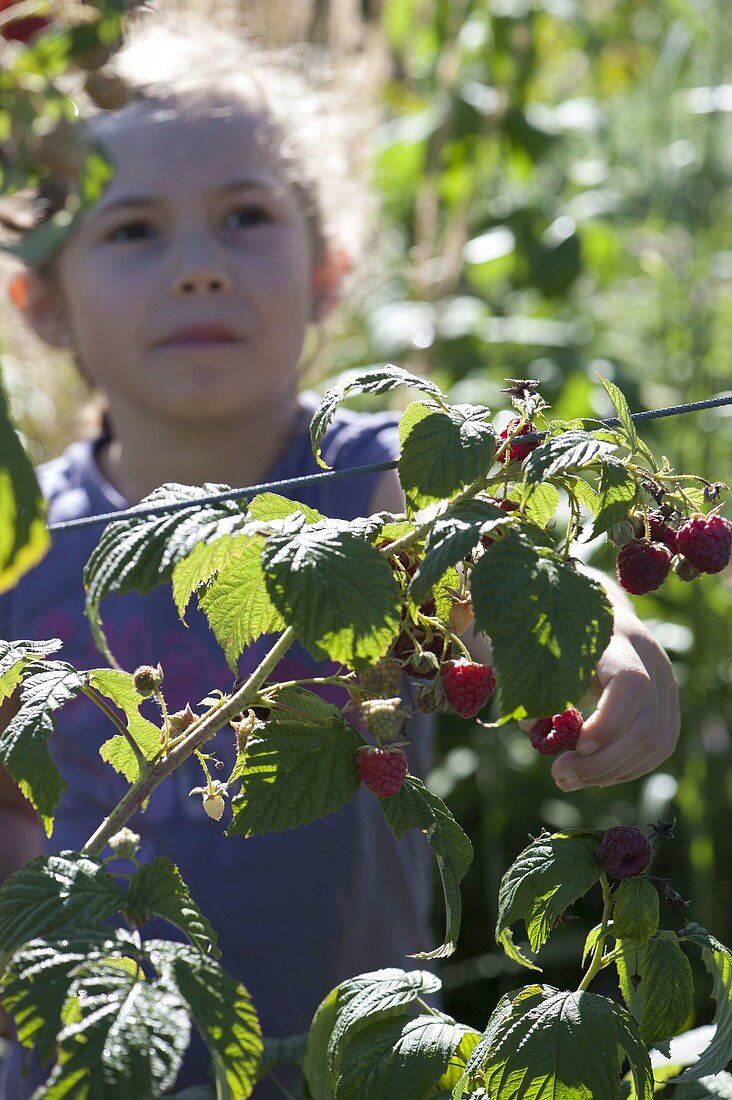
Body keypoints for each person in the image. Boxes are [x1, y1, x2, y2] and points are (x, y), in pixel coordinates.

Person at [0, 12, 679, 1098]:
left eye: (244, 217)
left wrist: (611, 640)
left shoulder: (376, 476)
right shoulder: (29, 554)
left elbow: (505, 565)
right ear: (44, 302)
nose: (199, 269)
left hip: (351, 1067)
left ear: (327, 272)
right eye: (133, 230)